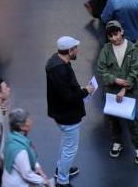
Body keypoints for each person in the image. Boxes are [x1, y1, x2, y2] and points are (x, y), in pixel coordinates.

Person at [45, 36, 92, 186]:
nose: (78, 50)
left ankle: (61, 169)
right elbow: (69, 97)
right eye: (75, 48)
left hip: (60, 112)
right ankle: (62, 180)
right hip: (68, 115)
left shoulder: (55, 61)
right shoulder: (61, 69)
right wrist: (86, 91)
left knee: (66, 144)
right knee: (70, 149)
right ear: (70, 50)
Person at [97, 22, 138, 165]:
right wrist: (115, 80)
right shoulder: (106, 49)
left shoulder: (132, 48)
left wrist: (125, 88)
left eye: (116, 34)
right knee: (113, 119)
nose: (113, 38)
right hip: (112, 91)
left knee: (132, 120)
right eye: (110, 35)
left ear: (122, 31)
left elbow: (136, 70)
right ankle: (117, 142)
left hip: (129, 91)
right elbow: (101, 69)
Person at [1, 109, 52, 187]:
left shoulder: (12, 137)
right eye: (29, 120)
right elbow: (27, 174)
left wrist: (39, 169)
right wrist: (44, 181)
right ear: (22, 127)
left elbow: (30, 157)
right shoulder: (20, 151)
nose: (32, 122)